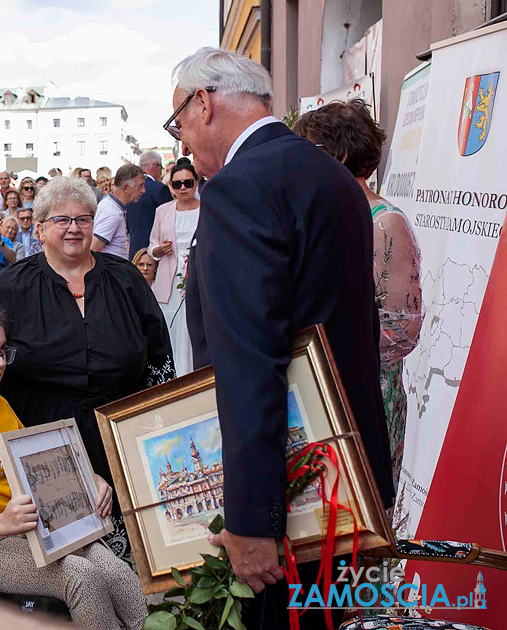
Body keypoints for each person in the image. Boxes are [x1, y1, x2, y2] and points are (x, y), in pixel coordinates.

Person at [172, 47, 394, 628]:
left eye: (180, 123)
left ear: (204, 102)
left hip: (294, 492)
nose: (183, 142)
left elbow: (249, 360)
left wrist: (250, 520)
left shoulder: (240, 187)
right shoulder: (331, 175)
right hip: (350, 468)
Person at [0, 302, 148, 630]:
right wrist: (2, 524)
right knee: (82, 577)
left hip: (33, 529)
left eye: (3, 350)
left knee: (117, 572)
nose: (0, 363)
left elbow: (40, 466)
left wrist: (88, 480)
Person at [0, 176, 174, 561]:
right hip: (43, 438)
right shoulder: (11, 287)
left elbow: (159, 357)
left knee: (136, 558)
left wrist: (159, 427)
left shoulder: (125, 278)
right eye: (61, 220)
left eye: (83, 219)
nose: (74, 228)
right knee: (73, 564)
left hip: (119, 435)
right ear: (39, 229)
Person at [293, 99, 423, 488]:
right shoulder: (316, 217)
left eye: (309, 150)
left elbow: (403, 331)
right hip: (318, 391)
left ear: (341, 154)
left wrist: (329, 351)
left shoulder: (384, 223)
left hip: (365, 396)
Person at [148, 159, 201, 376]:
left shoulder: (207, 209)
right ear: (170, 186)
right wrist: (159, 250)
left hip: (198, 276)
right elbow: (151, 247)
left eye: (187, 183)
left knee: (194, 329)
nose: (182, 188)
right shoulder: (163, 211)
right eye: (177, 184)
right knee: (171, 330)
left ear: (196, 183)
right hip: (169, 280)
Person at [125, 150, 172, 261]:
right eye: (161, 168)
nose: (161, 172)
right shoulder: (160, 189)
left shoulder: (129, 188)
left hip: (134, 250)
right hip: (156, 251)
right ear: (155, 166)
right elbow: (169, 220)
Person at [90, 163, 145, 259]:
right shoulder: (112, 213)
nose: (143, 190)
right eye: (140, 186)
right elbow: (93, 248)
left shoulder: (110, 206)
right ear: (126, 188)